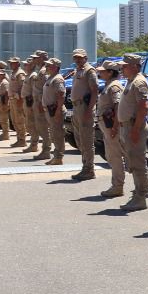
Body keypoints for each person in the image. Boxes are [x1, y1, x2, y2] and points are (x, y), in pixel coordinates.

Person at [116, 53, 148, 211]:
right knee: (132, 162)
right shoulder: (130, 81)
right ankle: (137, 194)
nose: (121, 68)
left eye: (124, 66)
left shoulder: (138, 82)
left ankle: (141, 197)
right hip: (128, 126)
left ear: (134, 66)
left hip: (134, 127)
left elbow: (143, 107)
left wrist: (136, 129)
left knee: (138, 163)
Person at [95, 60, 128, 199]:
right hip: (107, 126)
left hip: (111, 127)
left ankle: (117, 186)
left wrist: (115, 127)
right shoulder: (108, 85)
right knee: (111, 155)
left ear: (110, 72)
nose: (100, 73)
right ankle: (116, 185)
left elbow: (117, 105)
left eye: (102, 71)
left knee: (115, 156)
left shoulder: (114, 86)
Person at [68, 48, 99, 181]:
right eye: (75, 57)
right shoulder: (78, 71)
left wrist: (89, 110)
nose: (77, 60)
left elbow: (94, 91)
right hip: (76, 108)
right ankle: (85, 166)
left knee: (86, 140)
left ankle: (89, 169)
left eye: (80, 57)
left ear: (86, 58)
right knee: (79, 139)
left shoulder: (89, 71)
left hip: (84, 108)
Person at [40, 57, 67, 166]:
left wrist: (58, 112)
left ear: (56, 67)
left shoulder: (57, 79)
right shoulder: (51, 78)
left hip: (55, 110)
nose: (47, 67)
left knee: (57, 134)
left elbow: (61, 96)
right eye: (46, 65)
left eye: (49, 65)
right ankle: (56, 156)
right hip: (50, 111)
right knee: (54, 134)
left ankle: (58, 157)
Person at [24, 53, 48, 157]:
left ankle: (46, 150)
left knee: (43, 127)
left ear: (42, 58)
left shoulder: (44, 71)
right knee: (38, 126)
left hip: (40, 103)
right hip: (36, 102)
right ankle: (43, 149)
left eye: (36, 58)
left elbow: (45, 89)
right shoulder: (40, 71)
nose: (34, 60)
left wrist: (41, 103)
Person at [7, 57, 28, 148]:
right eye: (10, 63)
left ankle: (22, 140)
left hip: (18, 100)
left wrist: (20, 100)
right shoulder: (13, 73)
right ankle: (19, 139)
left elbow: (23, 87)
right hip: (12, 99)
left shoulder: (20, 73)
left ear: (18, 64)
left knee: (19, 120)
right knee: (15, 120)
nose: (11, 64)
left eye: (13, 63)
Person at [0, 63, 11, 140]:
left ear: (4, 75)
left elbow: (7, 93)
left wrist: (5, 104)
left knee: (4, 118)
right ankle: (4, 133)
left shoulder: (4, 82)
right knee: (1, 118)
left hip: (2, 102)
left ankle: (6, 134)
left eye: (0, 74)